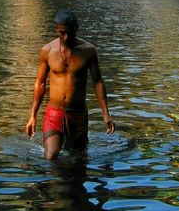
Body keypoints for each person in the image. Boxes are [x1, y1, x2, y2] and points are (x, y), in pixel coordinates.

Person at [26, 9, 115, 160]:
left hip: (78, 113)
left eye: (70, 32)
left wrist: (106, 114)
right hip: (54, 112)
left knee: (79, 159)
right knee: (51, 156)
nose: (66, 38)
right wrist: (32, 115)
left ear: (77, 28)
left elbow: (98, 82)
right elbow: (40, 83)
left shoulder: (88, 51)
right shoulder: (47, 51)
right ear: (56, 30)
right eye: (62, 33)